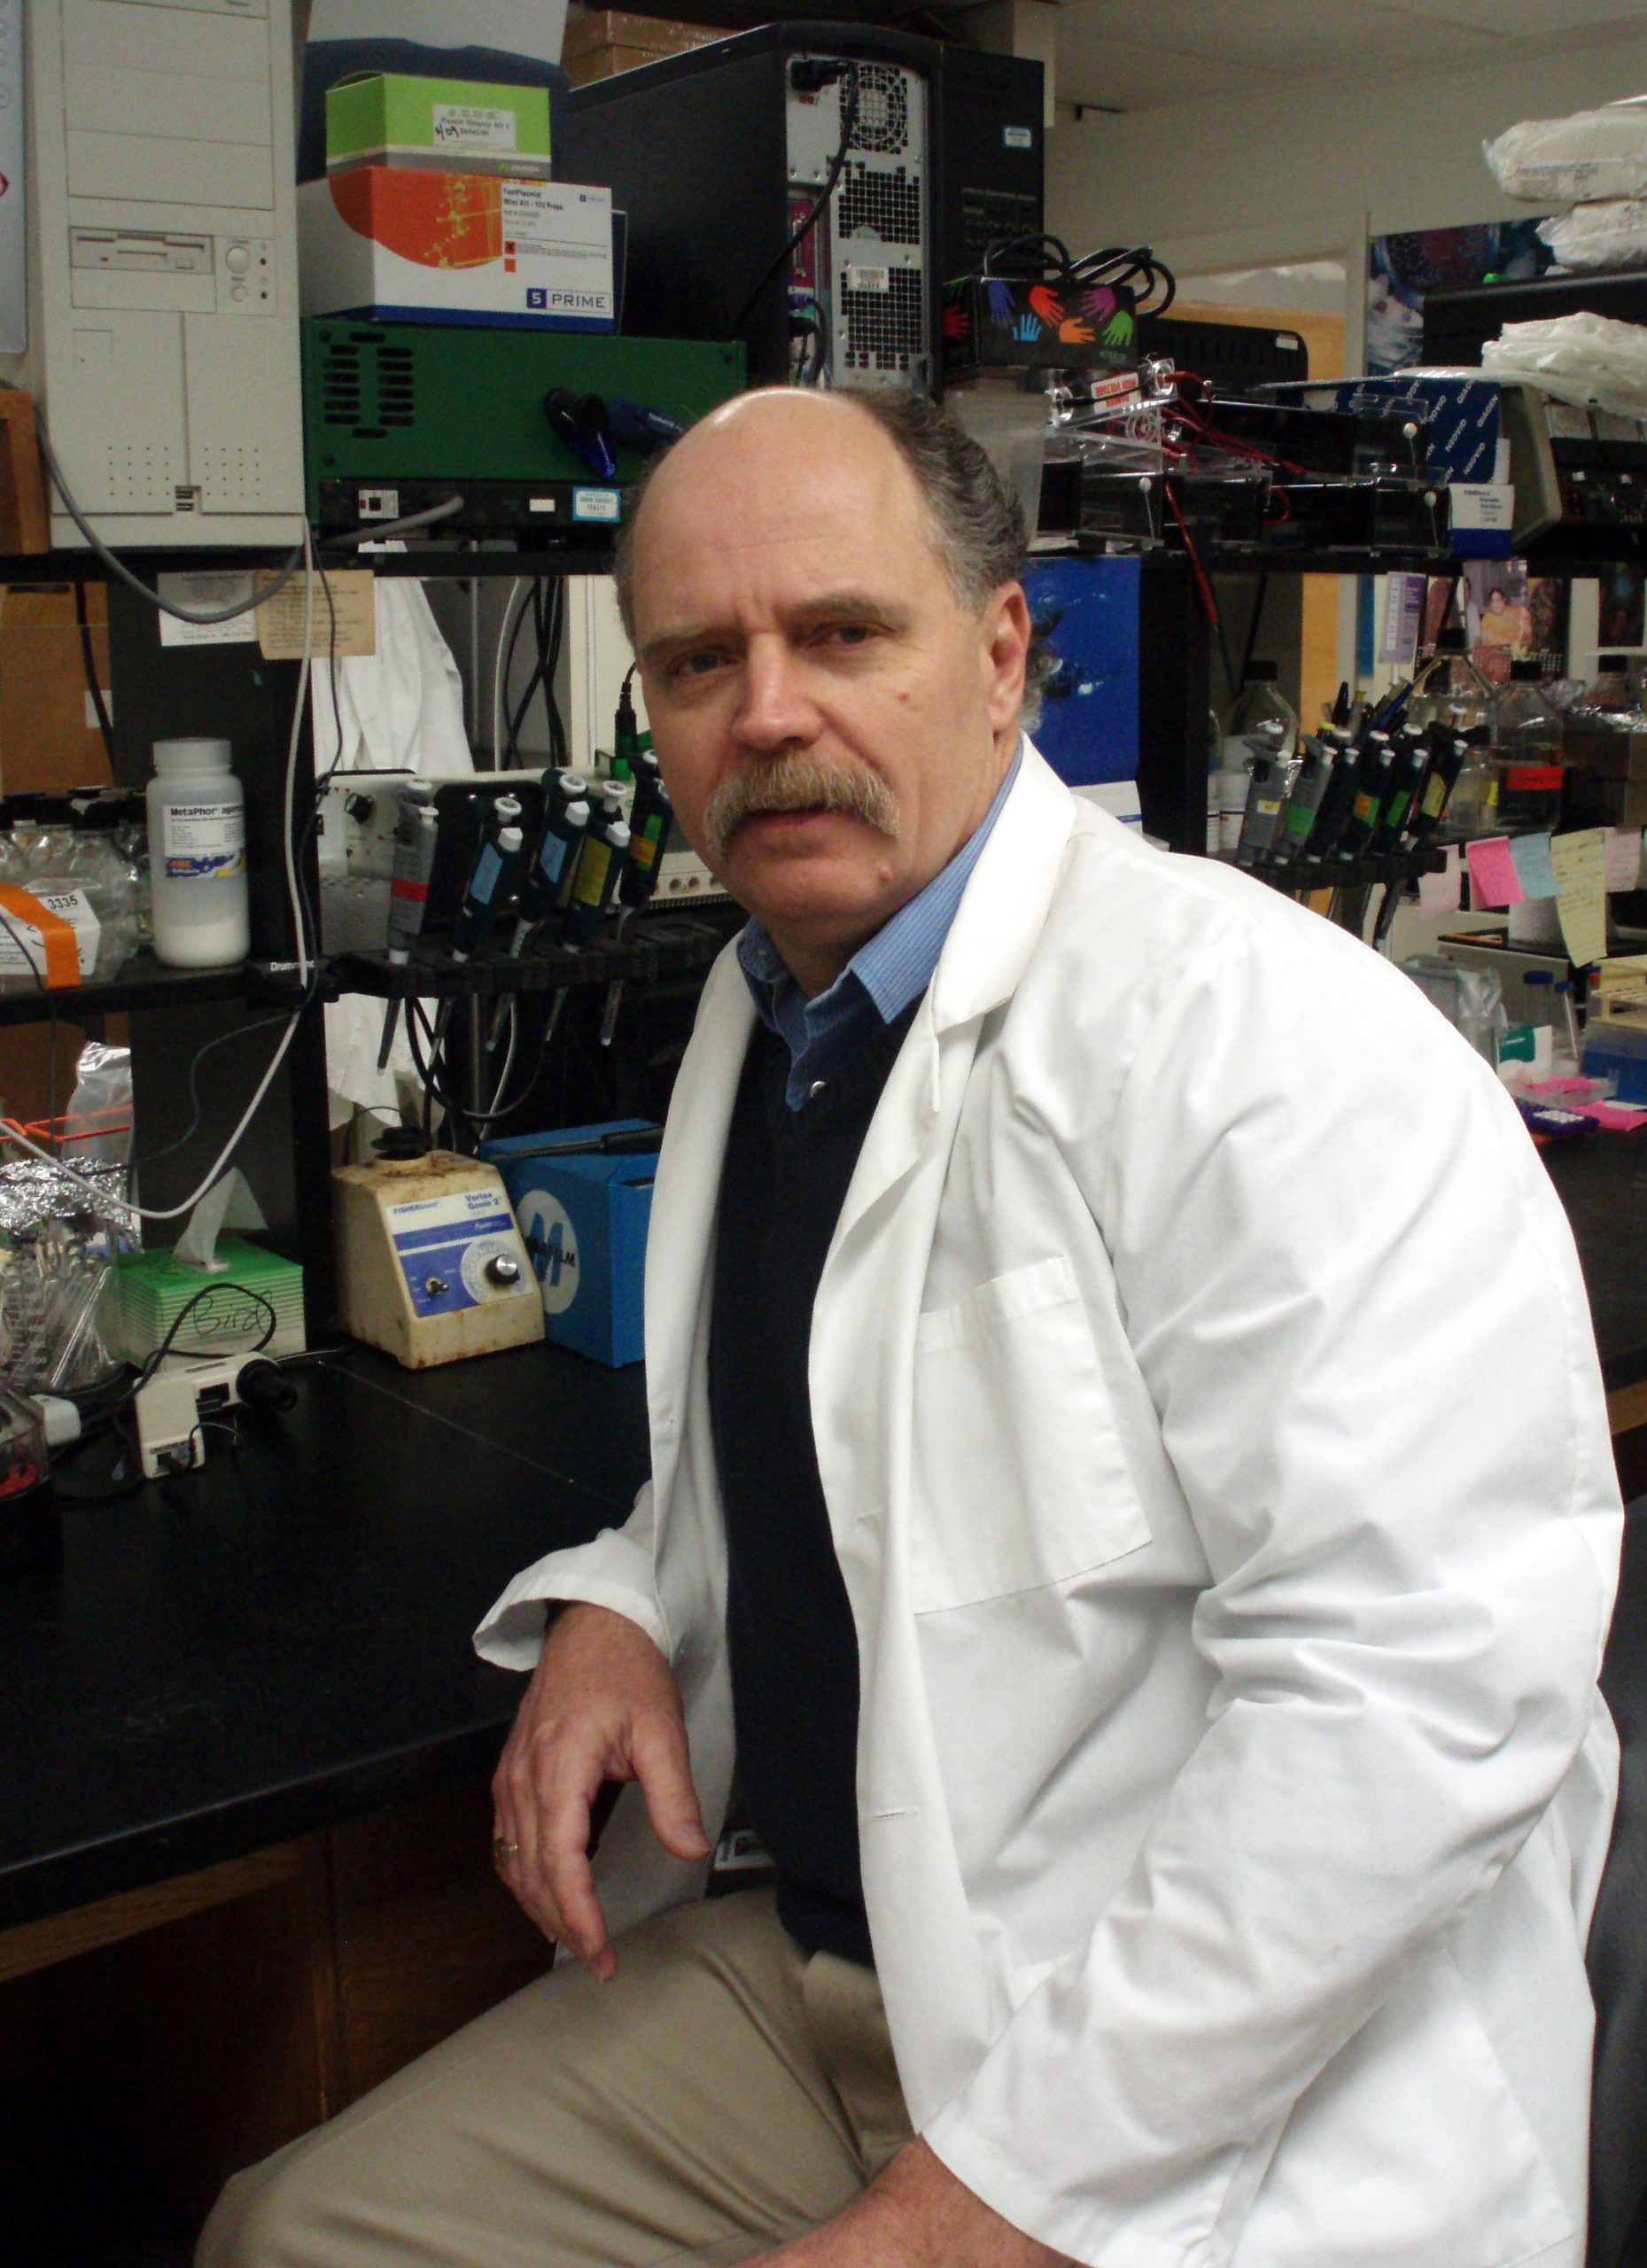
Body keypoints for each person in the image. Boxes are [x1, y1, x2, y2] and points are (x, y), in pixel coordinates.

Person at [201, 387, 1622, 2268]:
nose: (770, 711)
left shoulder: (1256, 1037)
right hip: (851, 1979)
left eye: (844, 632)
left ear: (1003, 654)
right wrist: (629, 1599)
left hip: (1217, 2082)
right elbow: (858, 1444)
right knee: (299, 2230)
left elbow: (1416, 1697)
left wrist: (971, 2209)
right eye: (699, 661)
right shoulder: (770, 1013)